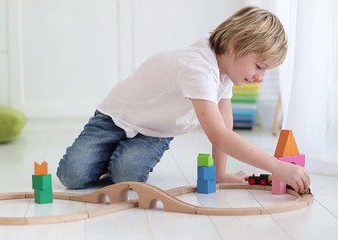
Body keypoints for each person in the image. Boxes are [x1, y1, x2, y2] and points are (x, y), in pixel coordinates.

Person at [56, 6, 310, 193]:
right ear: (236, 47)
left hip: (156, 130)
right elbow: (219, 136)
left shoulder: (225, 72)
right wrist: (276, 167)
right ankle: (105, 156)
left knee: (126, 177)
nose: (259, 77)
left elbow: (224, 125)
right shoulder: (198, 68)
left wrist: (220, 174)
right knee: (73, 177)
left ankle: (113, 160)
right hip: (116, 118)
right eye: (259, 66)